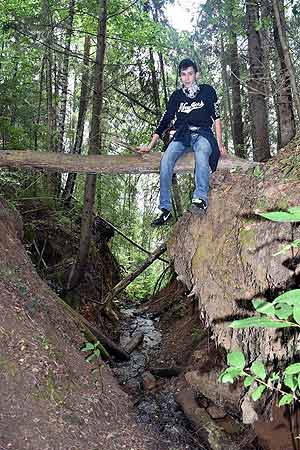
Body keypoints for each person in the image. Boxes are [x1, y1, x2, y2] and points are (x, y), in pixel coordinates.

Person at [138, 58, 227, 227]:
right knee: (166, 160)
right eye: (183, 75)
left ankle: (200, 199)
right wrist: (150, 145)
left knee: (202, 154)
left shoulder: (207, 91)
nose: (187, 78)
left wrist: (220, 143)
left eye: (190, 74)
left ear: (196, 75)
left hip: (203, 134)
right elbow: (165, 120)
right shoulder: (177, 96)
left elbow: (216, 118)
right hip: (181, 135)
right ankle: (165, 209)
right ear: (180, 77)